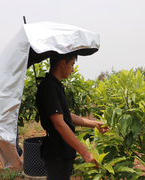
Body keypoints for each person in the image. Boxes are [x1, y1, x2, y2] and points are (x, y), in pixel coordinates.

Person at [36, 52, 108, 180]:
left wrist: (95, 124)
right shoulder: (49, 88)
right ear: (62, 63)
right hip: (57, 152)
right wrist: (85, 152)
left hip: (62, 151)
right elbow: (59, 124)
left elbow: (66, 116)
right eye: (72, 64)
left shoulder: (55, 86)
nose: (73, 69)